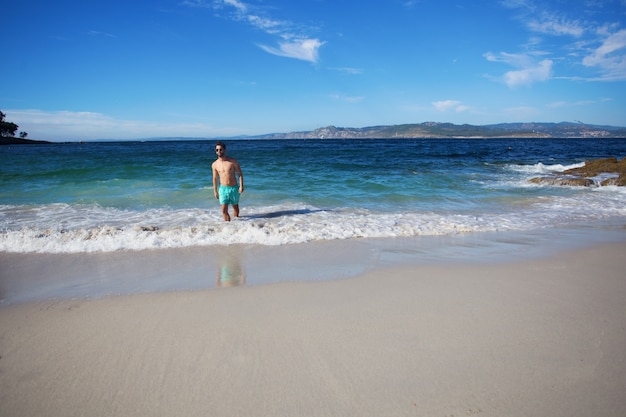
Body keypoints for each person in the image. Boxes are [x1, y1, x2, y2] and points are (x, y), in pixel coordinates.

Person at [212, 141, 244, 221]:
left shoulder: (232, 161)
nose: (219, 151)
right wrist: (215, 191)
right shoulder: (215, 164)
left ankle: (237, 223)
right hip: (223, 189)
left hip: (234, 188)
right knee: (224, 210)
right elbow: (215, 178)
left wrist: (241, 186)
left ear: (225, 150)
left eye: (220, 149)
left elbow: (240, 173)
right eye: (217, 150)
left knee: (235, 208)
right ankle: (228, 227)